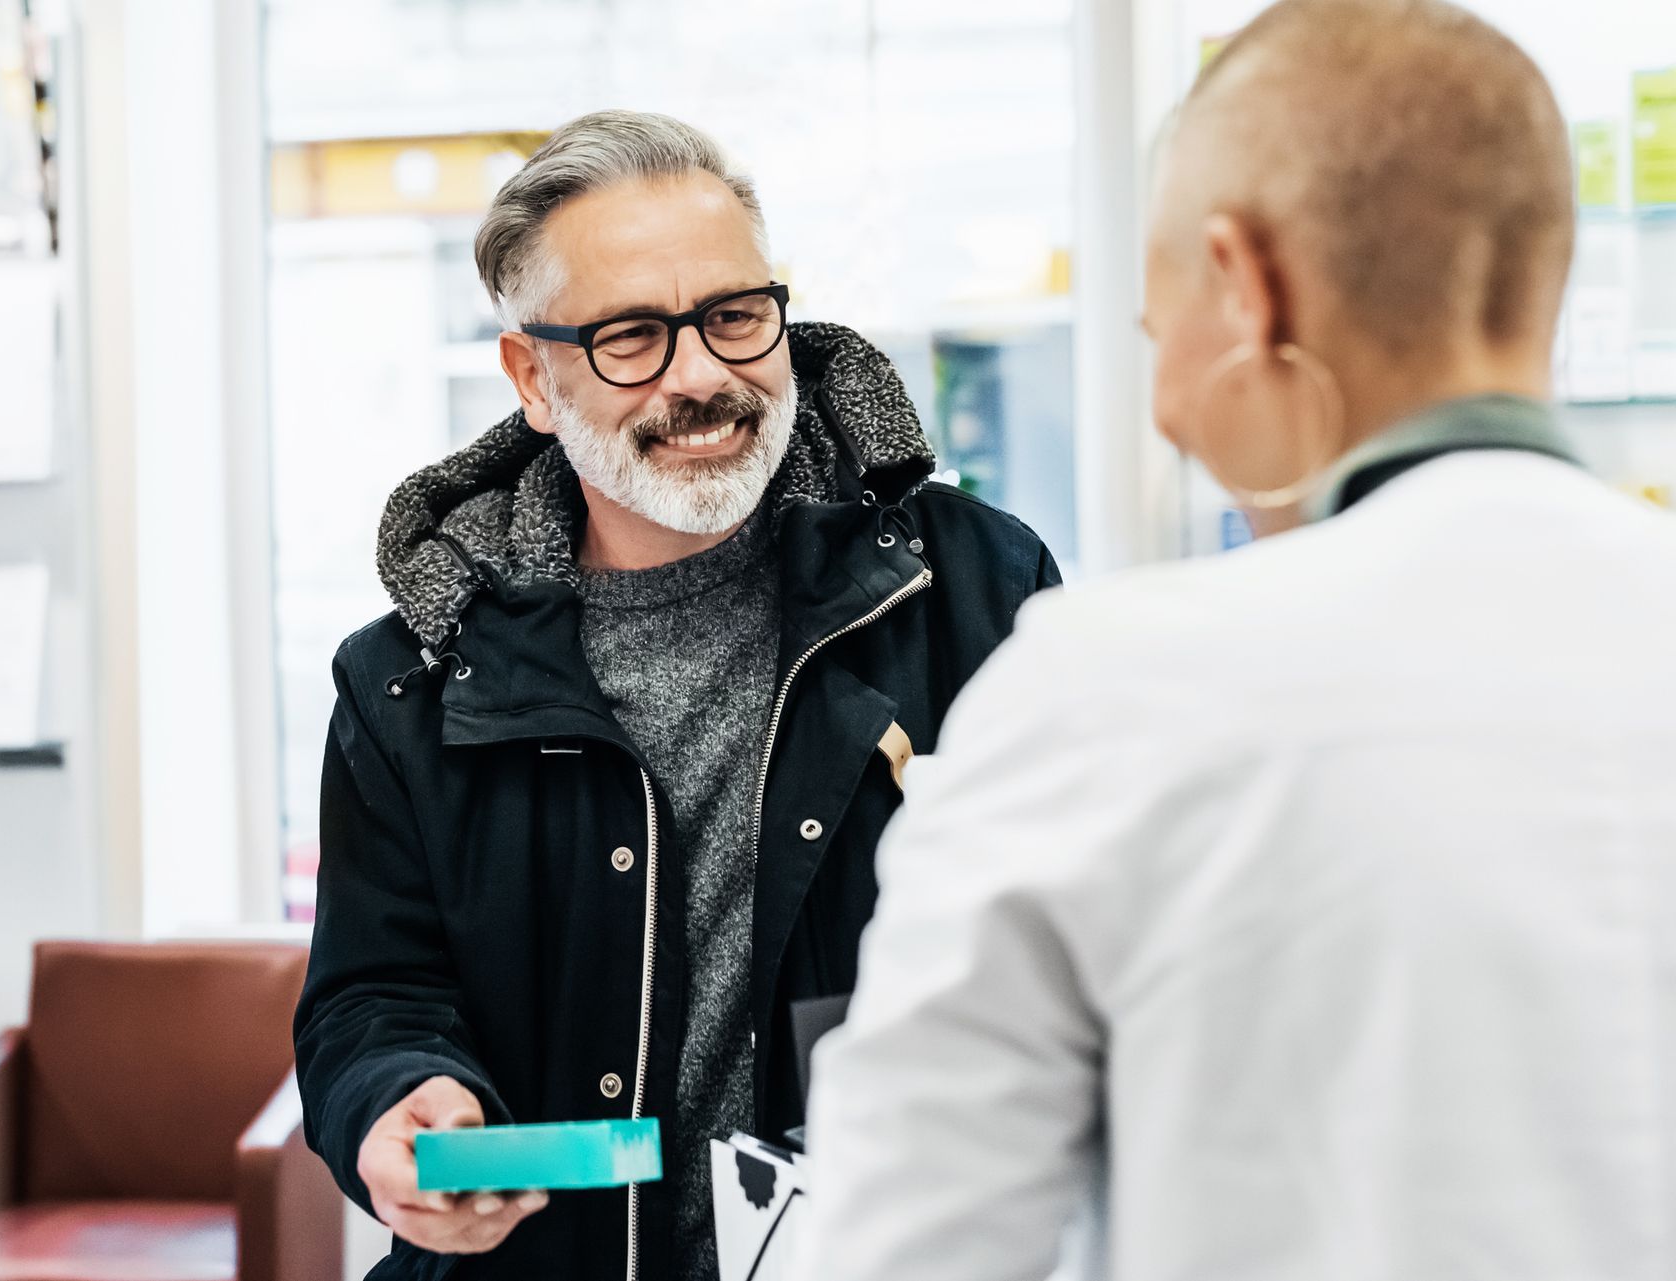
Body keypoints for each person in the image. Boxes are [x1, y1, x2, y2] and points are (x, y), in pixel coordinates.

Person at [799, 3, 1676, 1279]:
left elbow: (910, 1248)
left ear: (1248, 283)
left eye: (1161, 336)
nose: (1164, 412)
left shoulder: (1106, 692)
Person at [292, 110, 1063, 1281]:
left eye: (734, 317)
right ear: (532, 376)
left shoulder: (972, 591)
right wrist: (401, 1100)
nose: (703, 377)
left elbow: (1085, 928)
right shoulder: (410, 677)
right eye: (632, 338)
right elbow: (373, 996)